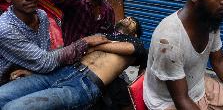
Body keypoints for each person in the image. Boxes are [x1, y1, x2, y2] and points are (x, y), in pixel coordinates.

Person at [0, 16, 147, 110]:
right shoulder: (101, 36)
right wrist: (33, 71)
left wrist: (91, 44)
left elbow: (132, 49)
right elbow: (69, 54)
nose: (127, 20)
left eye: (132, 22)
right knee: (2, 96)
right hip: (60, 72)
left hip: (84, 84)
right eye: (126, 18)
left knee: (14, 107)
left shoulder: (136, 43)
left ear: (135, 34)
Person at [0, 0, 109, 85]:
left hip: (37, 73)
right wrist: (86, 41)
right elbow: (44, 61)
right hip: (7, 84)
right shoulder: (5, 28)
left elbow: (45, 57)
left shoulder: (41, 15)